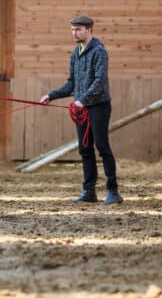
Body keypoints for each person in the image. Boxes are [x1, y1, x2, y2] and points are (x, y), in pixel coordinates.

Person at [40, 14, 122, 205]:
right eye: (72, 30)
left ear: (88, 29)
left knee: (102, 147)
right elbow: (71, 84)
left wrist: (82, 100)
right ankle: (89, 191)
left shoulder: (99, 51)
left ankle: (113, 191)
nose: (74, 33)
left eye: (77, 29)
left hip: (98, 107)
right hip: (82, 108)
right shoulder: (75, 53)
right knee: (85, 149)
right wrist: (52, 95)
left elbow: (99, 82)